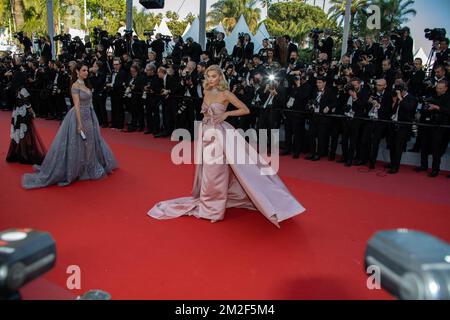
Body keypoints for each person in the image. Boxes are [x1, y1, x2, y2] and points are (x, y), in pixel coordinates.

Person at [148, 65, 305, 227]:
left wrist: (226, 113)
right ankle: (211, 203)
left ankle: (213, 210)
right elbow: (204, 113)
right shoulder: (207, 91)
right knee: (207, 171)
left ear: (220, 78)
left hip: (219, 136)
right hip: (206, 134)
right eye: (208, 76)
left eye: (214, 76)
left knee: (215, 174)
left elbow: (245, 110)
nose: (210, 79)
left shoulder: (226, 93)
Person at [22, 62, 118, 189]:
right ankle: (78, 168)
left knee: (90, 142)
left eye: (86, 70)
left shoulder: (87, 84)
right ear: (77, 72)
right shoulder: (75, 86)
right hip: (79, 116)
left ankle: (89, 166)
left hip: (89, 115)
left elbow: (90, 103)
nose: (86, 72)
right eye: (83, 70)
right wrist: (79, 123)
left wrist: (94, 117)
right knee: (78, 142)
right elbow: (76, 106)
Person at [6, 71, 46, 165]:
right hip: (23, 112)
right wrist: (33, 112)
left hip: (16, 112)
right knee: (24, 133)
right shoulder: (22, 89)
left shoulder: (13, 88)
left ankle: (21, 153)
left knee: (19, 132)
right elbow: (27, 103)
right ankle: (24, 155)